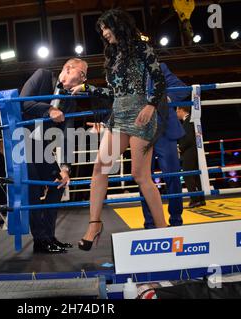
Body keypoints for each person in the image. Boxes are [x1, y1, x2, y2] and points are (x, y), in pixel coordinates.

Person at [71, 9, 168, 251]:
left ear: (119, 26)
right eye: (102, 30)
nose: (104, 33)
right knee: (99, 169)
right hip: (118, 115)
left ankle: (163, 231)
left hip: (140, 116)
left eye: (106, 27)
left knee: (140, 175)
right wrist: (88, 88)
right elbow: (114, 93)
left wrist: (151, 105)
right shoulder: (113, 55)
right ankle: (94, 226)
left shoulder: (141, 47)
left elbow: (160, 80)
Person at [20, 58, 88, 254]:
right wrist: (49, 109)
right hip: (24, 142)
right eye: (82, 74)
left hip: (42, 150)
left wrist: (66, 168)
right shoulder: (41, 75)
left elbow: (68, 136)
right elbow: (24, 102)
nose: (84, 79)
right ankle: (40, 241)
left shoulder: (70, 101)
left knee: (59, 184)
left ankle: (48, 237)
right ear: (68, 68)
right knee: (33, 189)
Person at [140, 62, 188, 229]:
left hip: (164, 129)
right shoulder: (123, 70)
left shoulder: (158, 67)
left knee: (172, 177)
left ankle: (176, 220)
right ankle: (150, 222)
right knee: (144, 178)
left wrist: (165, 98)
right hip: (140, 132)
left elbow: (182, 89)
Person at [176, 106, 206, 207]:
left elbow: (189, 139)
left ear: (181, 110)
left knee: (188, 175)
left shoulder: (188, 121)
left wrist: (180, 148)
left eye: (177, 110)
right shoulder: (191, 120)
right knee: (196, 175)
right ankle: (201, 199)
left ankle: (195, 199)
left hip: (189, 152)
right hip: (194, 151)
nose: (176, 113)